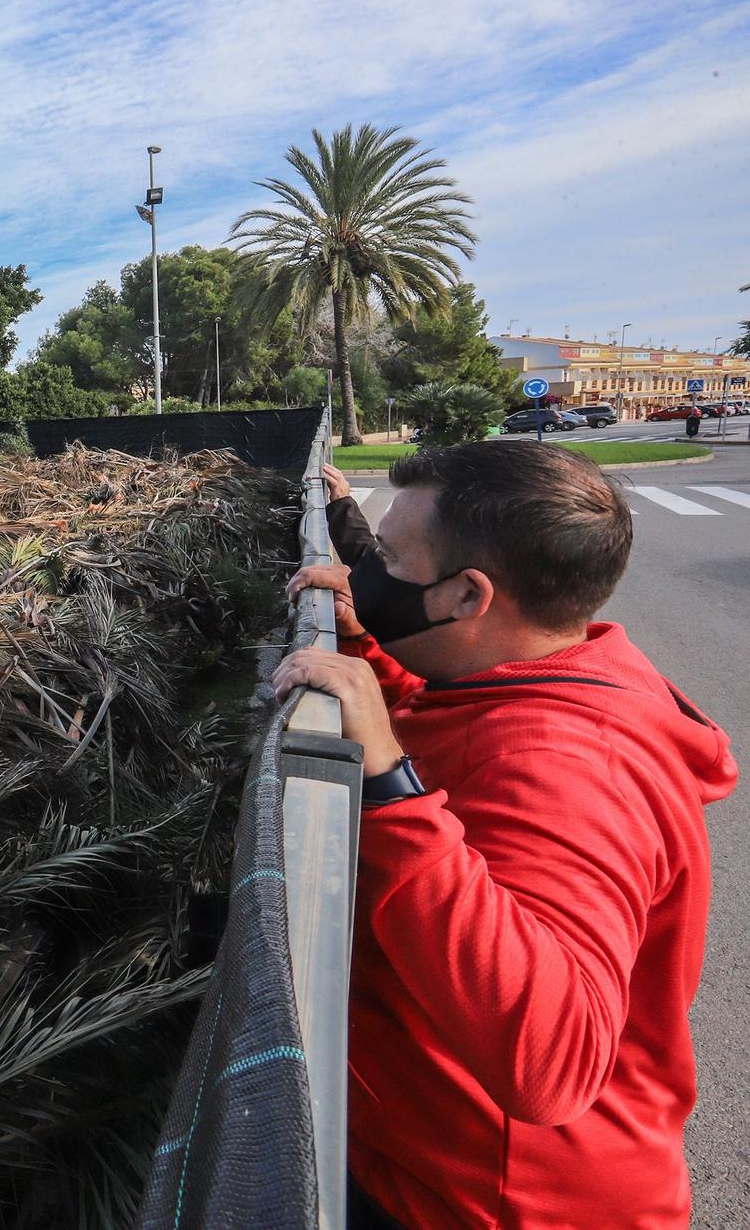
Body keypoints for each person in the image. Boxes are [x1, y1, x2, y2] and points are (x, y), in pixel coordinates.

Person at [275, 441, 735, 1229]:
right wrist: (368, 656)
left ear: (466, 597)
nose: (366, 572)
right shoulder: (558, 672)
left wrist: (389, 781)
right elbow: (465, 726)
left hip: (494, 1201)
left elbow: (552, 1057)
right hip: (443, 1161)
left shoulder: (566, 766)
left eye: (386, 556)